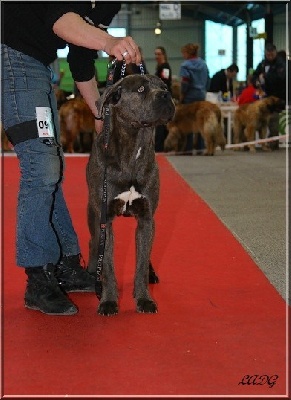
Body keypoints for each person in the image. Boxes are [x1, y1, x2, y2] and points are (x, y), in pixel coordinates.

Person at [1, 2, 142, 316]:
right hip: (12, 56)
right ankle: (38, 277)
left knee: (53, 166)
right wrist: (109, 41)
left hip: (37, 64)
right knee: (42, 167)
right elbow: (62, 22)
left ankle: (65, 264)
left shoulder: (108, 3)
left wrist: (99, 112)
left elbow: (80, 54)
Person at [252, 43, 286, 149]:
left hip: (277, 98)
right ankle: (264, 143)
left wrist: (266, 76)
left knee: (273, 122)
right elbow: (254, 75)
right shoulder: (262, 64)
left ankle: (273, 143)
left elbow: (280, 78)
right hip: (264, 98)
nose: (270, 54)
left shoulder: (281, 64)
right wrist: (256, 81)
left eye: (272, 52)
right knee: (262, 122)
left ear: (275, 52)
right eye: (268, 53)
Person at [179, 43, 210, 154]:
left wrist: (182, 95)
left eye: (183, 53)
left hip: (189, 97)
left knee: (188, 123)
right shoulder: (203, 64)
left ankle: (188, 148)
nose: (183, 55)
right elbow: (208, 80)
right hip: (201, 96)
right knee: (200, 121)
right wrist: (204, 91)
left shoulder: (185, 65)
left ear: (187, 53)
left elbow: (185, 82)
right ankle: (200, 147)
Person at [154, 46, 172, 152]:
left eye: (159, 54)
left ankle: (160, 147)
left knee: (161, 124)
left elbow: (165, 82)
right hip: (161, 99)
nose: (157, 56)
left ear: (164, 55)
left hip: (164, 99)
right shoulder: (160, 66)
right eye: (155, 54)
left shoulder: (165, 67)